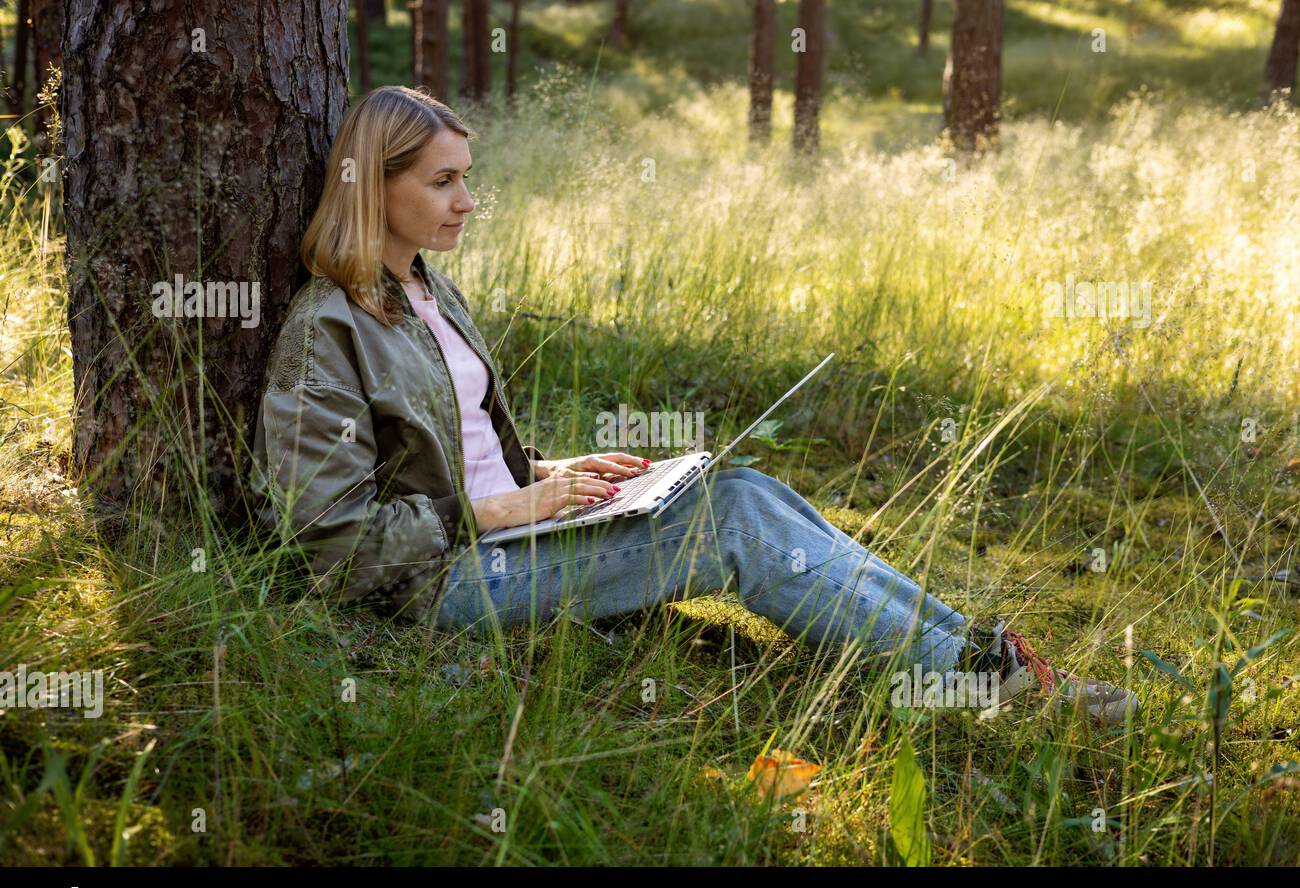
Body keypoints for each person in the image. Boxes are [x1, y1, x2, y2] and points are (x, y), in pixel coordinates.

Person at [251, 86, 1138, 726]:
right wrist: (504, 507)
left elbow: (467, 445)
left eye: (466, 177)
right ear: (376, 183)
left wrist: (558, 476)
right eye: (444, 181)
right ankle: (975, 682)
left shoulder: (427, 288)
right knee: (736, 526)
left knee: (749, 490)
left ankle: (983, 654)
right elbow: (332, 540)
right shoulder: (326, 327)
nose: (468, 199)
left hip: (504, 534)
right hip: (440, 585)